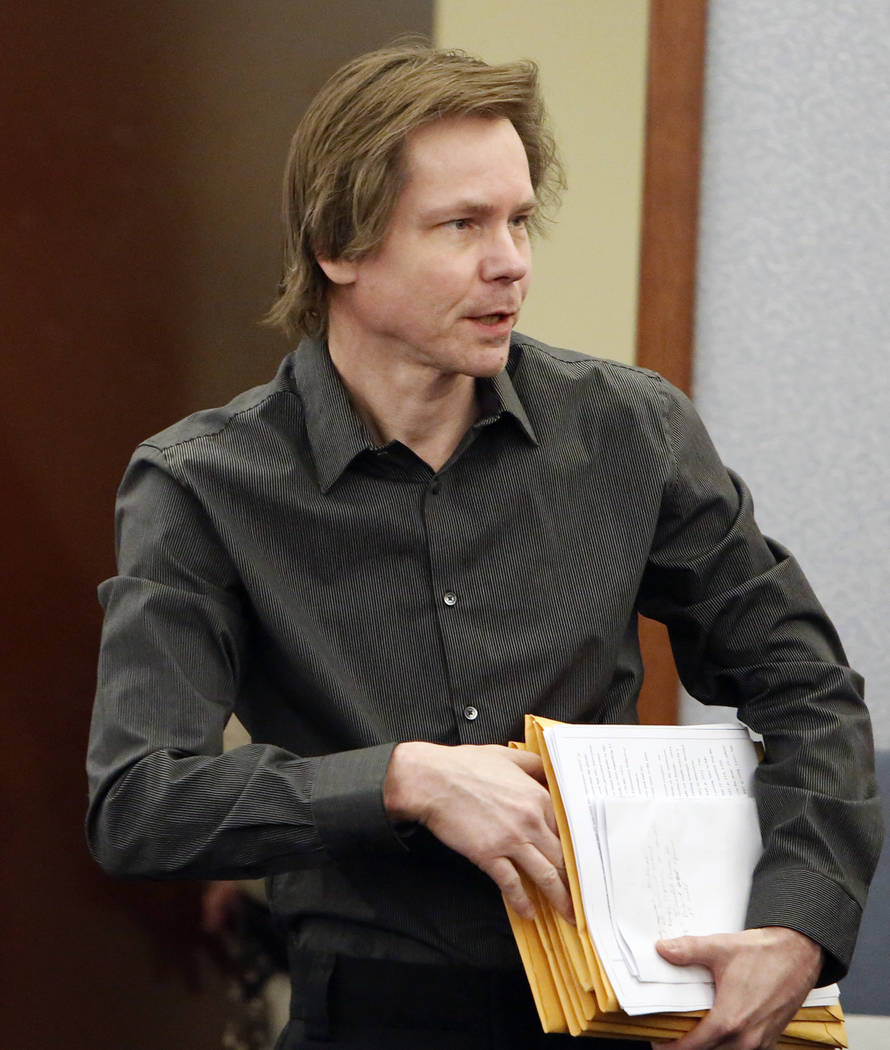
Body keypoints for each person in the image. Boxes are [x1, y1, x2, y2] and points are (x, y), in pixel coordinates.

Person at [86, 43, 882, 1050]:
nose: (509, 261)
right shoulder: (203, 483)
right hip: (369, 1016)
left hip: (627, 1010)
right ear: (339, 247)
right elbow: (139, 802)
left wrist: (797, 924)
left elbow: (807, 688)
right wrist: (402, 779)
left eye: (518, 220)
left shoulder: (630, 430)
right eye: (461, 225)